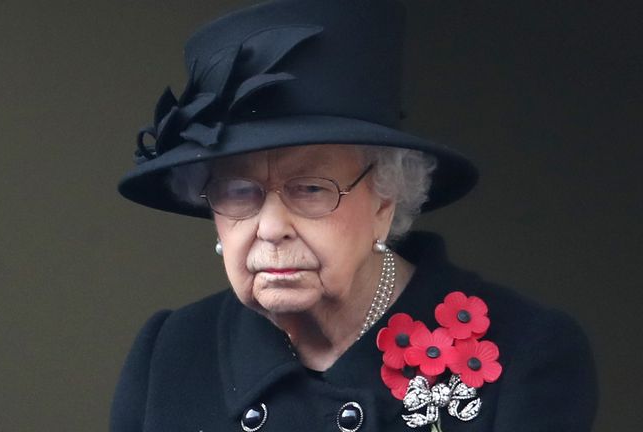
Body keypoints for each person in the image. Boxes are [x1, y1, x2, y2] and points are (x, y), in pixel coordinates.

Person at [110, 0, 598, 431]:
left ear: (386, 199)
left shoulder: (526, 353)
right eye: (240, 192)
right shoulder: (170, 353)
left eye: (309, 189)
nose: (272, 227)